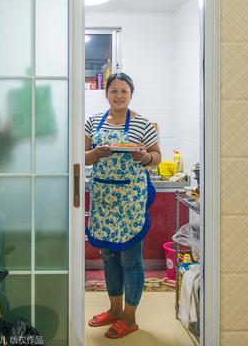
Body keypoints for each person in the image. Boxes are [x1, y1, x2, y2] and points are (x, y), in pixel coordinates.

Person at [85, 72, 161, 339]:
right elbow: (81, 157)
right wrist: (95, 153)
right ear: (106, 93)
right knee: (108, 257)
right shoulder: (93, 122)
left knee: (131, 260)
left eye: (124, 91)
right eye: (114, 90)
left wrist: (144, 157)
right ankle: (114, 310)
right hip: (104, 199)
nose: (119, 95)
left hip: (130, 201)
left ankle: (130, 318)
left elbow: (157, 157)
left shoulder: (142, 124)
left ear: (131, 94)